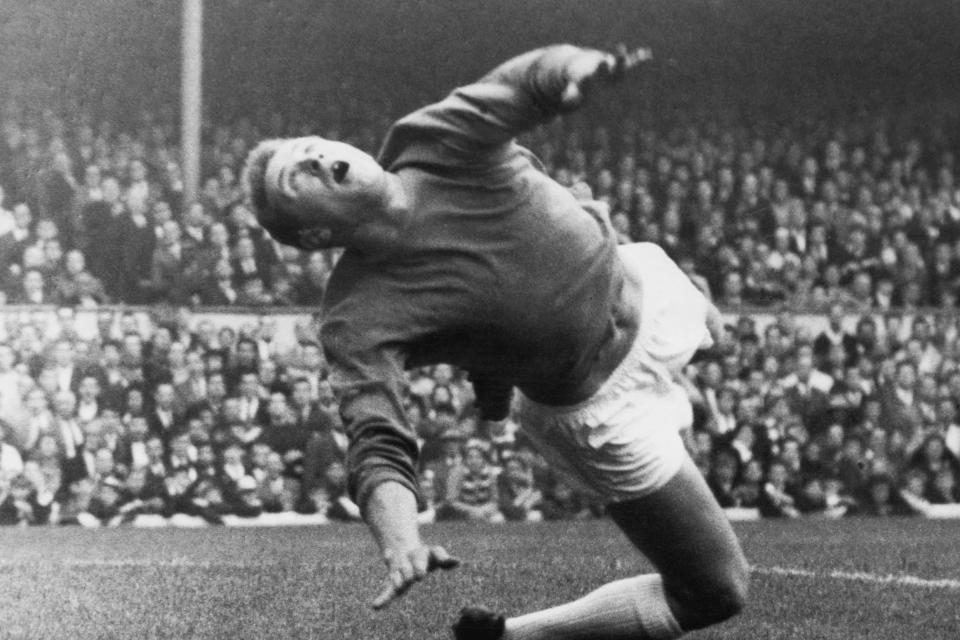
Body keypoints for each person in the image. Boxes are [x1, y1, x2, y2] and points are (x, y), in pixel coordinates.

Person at [244, 44, 747, 640]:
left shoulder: (429, 142)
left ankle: (505, 384)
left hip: (643, 279)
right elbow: (376, 436)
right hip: (602, 406)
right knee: (717, 591)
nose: (314, 157)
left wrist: (573, 68)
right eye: (295, 177)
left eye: (310, 146)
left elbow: (518, 84)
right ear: (317, 232)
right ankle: (515, 638)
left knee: (720, 337)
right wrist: (401, 540)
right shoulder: (358, 314)